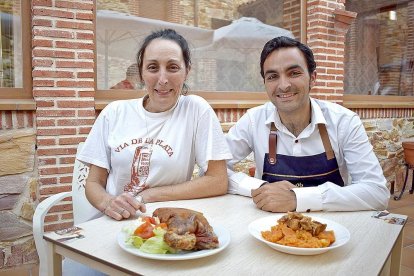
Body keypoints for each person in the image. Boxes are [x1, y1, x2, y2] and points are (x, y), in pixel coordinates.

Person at [78, 28, 232, 221]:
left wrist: (148, 196)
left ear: (187, 71)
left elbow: (218, 181)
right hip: (111, 222)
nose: (162, 79)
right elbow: (93, 182)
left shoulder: (196, 110)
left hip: (166, 224)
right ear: (141, 73)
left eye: (173, 67)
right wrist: (109, 203)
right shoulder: (114, 113)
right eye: (152, 68)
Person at [225, 36, 390, 213]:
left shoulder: (344, 121)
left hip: (331, 230)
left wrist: (298, 198)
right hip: (268, 228)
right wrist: (261, 187)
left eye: (294, 73)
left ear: (313, 78)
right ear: (265, 83)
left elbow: (376, 192)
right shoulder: (252, 120)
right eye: (272, 76)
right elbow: (213, 170)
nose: (283, 85)